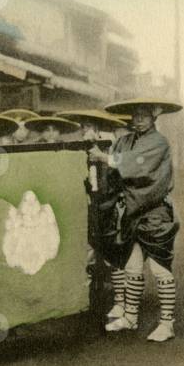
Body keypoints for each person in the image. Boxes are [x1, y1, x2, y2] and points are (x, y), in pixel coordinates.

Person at [91, 98, 182, 342]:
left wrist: (106, 159)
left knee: (160, 268)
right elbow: (111, 173)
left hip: (154, 212)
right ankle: (130, 316)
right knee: (131, 266)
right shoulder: (123, 141)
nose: (139, 119)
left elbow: (137, 166)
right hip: (130, 211)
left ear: (154, 116)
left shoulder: (159, 142)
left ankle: (167, 322)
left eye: (144, 115)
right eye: (136, 115)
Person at [56, 109, 130, 320]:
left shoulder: (112, 146)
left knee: (114, 256)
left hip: (112, 205)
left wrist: (104, 158)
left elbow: (125, 168)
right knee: (87, 254)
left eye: (89, 127)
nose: (85, 131)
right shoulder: (79, 150)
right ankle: (87, 301)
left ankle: (120, 301)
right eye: (83, 127)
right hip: (90, 208)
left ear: (98, 129)